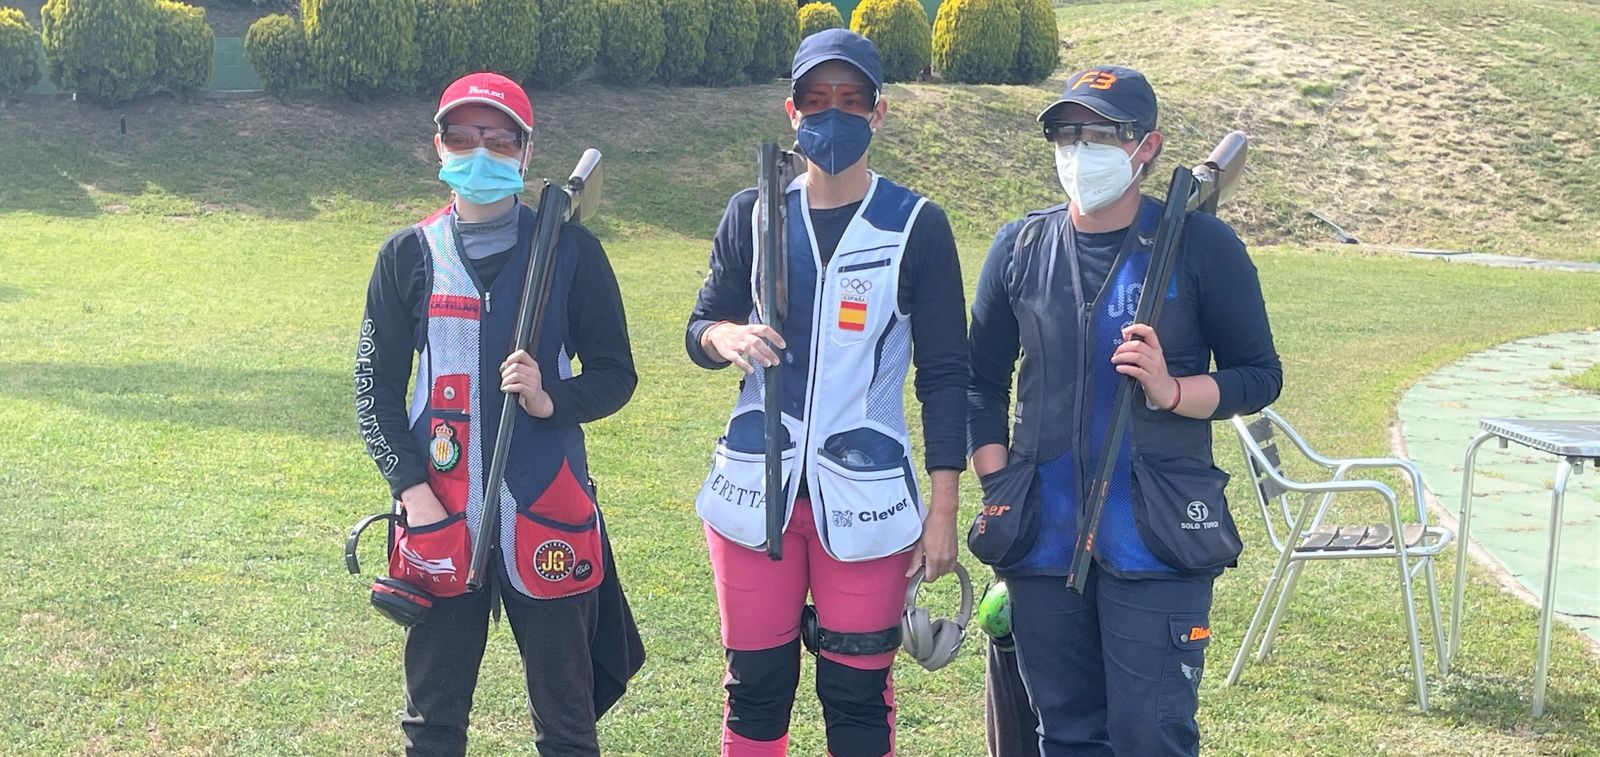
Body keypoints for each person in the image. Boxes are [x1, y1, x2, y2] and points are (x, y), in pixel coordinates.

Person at [966, 66, 1283, 756]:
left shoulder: (1201, 246)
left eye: (1102, 133)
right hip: (1043, 542)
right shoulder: (1019, 248)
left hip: (1158, 538)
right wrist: (1000, 486)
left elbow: (1260, 375)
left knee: (1151, 735)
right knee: (1066, 734)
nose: (1080, 150)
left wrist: (1173, 390)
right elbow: (978, 384)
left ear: (1147, 146)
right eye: (1067, 132)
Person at [685, 30, 968, 757]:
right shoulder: (751, 212)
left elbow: (944, 376)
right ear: (791, 110)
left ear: (879, 112)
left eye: (852, 99)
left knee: (856, 702)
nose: (833, 113)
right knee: (755, 694)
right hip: (754, 493)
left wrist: (943, 509)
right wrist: (727, 338)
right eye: (817, 99)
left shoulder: (917, 225)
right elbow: (699, 326)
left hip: (868, 500)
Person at [354, 71, 643, 757]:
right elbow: (374, 389)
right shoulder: (406, 254)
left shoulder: (572, 252)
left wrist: (553, 397)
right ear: (439, 144)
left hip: (548, 511)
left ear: (525, 152)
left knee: (567, 723)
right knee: (432, 722)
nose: (478, 152)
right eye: (462, 136)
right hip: (440, 519)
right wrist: (410, 489)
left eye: (497, 138)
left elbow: (616, 374)